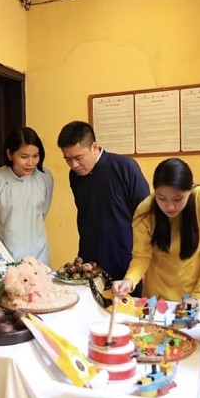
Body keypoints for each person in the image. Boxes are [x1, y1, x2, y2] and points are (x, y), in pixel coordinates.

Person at [112, 158, 200, 382]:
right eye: (162, 198)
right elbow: (141, 257)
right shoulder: (145, 210)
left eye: (178, 198)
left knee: (196, 368)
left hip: (197, 292)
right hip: (159, 294)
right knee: (161, 362)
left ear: (190, 190)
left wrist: (197, 297)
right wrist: (129, 280)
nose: (170, 206)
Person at [57, 121, 149, 295]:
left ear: (94, 147)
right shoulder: (75, 176)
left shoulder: (125, 167)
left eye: (78, 158)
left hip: (125, 256)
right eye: (68, 159)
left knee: (125, 312)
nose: (74, 165)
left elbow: (146, 217)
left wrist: (145, 266)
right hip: (89, 259)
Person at [0, 127, 54, 265]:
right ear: (9, 154)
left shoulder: (45, 177)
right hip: (4, 254)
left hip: (39, 253)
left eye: (35, 156)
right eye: (24, 157)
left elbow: (42, 211)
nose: (30, 163)